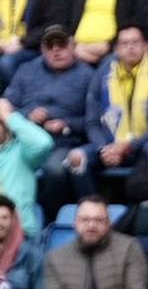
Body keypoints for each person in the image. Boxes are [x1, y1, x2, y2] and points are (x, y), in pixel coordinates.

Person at [4, 25, 93, 220]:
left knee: (55, 171)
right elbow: (6, 106)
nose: (55, 50)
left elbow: (93, 121)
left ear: (72, 46)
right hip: (24, 142)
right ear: (42, 49)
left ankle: (49, 221)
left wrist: (66, 125)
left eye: (61, 44)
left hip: (62, 143)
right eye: (49, 45)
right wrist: (28, 115)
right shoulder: (27, 70)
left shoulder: (87, 75)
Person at [81, 25, 148, 180]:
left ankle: (142, 202)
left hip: (143, 145)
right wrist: (104, 148)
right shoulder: (103, 73)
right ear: (116, 49)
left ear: (146, 46)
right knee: (77, 158)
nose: (130, 48)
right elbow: (92, 122)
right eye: (124, 44)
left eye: (135, 43)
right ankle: (90, 203)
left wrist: (127, 146)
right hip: (108, 145)